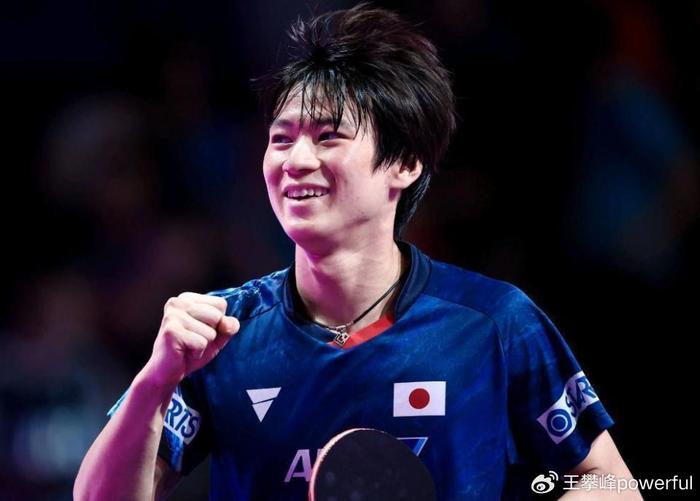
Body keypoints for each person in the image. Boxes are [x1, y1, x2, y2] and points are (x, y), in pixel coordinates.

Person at [75, 4, 639, 500]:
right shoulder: (223, 335)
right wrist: (155, 382)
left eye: (328, 137)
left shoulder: (493, 323)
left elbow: (608, 481)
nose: (296, 160)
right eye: (280, 138)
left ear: (404, 163)